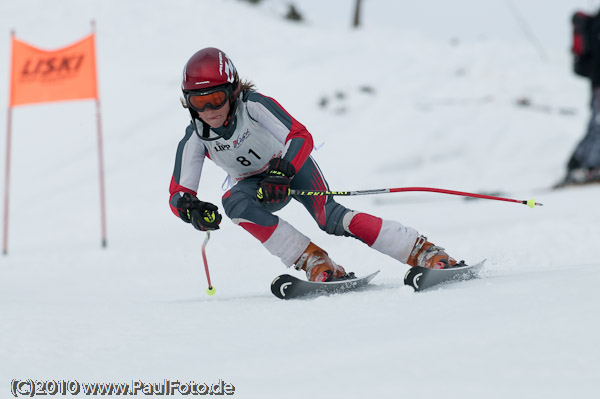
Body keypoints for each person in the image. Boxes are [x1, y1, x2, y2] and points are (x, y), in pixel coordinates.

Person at [168, 47, 461, 282]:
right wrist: (192, 209)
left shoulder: (253, 106)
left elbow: (300, 136)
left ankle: (422, 250)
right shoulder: (196, 136)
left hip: (291, 171)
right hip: (257, 189)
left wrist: (283, 171)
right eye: (198, 102)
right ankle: (313, 259)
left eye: (216, 99)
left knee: (330, 218)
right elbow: (178, 193)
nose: (209, 111)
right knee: (233, 201)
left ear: (232, 92)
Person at [559, 11, 600, 186]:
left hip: (596, 82)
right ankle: (591, 166)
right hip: (599, 81)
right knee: (597, 125)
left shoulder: (595, 22)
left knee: (595, 125)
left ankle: (577, 162)